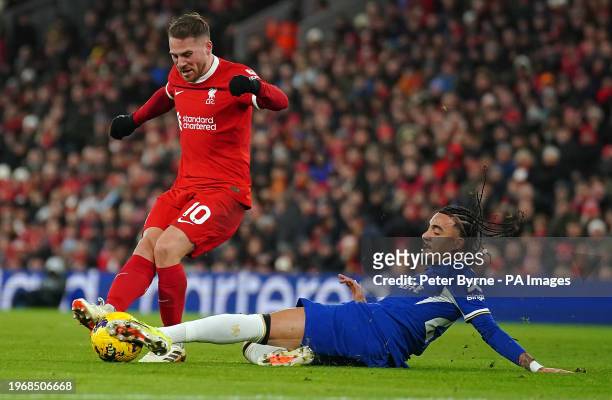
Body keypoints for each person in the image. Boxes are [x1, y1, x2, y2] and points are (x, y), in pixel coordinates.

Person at [105, 204, 572, 372]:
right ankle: (307, 356)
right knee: (253, 348)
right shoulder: (439, 271)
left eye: (436, 229)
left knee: (258, 323)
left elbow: (488, 330)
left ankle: (160, 336)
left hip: (374, 332)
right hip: (377, 332)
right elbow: (416, 317)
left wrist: (534, 366)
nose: (426, 234)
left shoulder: (464, 277)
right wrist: (366, 300)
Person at [71, 12, 288, 362]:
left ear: (208, 47)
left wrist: (255, 88)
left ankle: (172, 343)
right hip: (184, 186)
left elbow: (281, 100)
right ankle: (108, 313)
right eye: (174, 56)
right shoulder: (179, 76)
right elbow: (167, 95)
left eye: (187, 55)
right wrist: (134, 121)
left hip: (225, 192)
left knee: (168, 247)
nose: (181, 63)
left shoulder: (236, 76)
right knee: (149, 243)